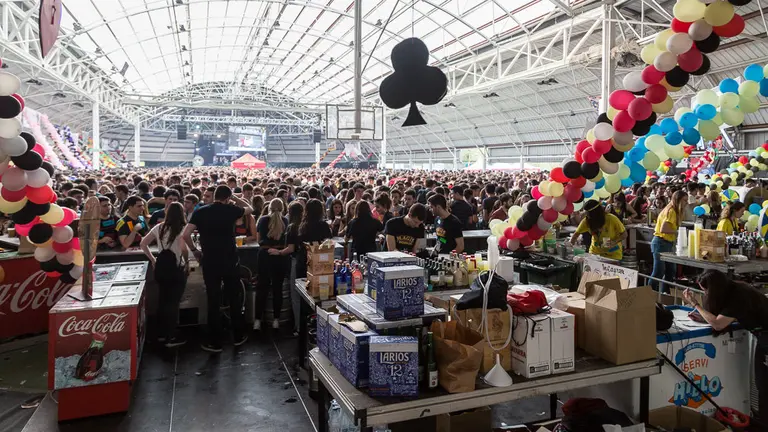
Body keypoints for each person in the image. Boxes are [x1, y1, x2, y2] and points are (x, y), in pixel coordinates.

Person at [684, 270, 768, 421]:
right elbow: (724, 319)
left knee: (764, 385)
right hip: (762, 336)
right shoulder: (735, 289)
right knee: (763, 385)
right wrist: (705, 317)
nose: (707, 295)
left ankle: (763, 422)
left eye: (707, 291)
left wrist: (696, 304)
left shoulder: (738, 297)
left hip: (765, 337)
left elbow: (718, 324)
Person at [182, 185, 253, 352]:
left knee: (213, 300)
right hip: (229, 260)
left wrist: (194, 250)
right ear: (228, 198)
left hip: (210, 260)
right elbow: (249, 208)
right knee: (234, 297)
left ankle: (215, 341)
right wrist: (235, 198)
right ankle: (237, 336)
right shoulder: (230, 209)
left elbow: (185, 234)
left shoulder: (201, 211)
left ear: (214, 196)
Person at [140, 202, 189, 348]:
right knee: (173, 302)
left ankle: (161, 334)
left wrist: (153, 259)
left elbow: (143, 243)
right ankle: (171, 336)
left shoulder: (159, 227)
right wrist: (186, 263)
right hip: (176, 268)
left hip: (161, 267)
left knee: (163, 299)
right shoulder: (182, 229)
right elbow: (184, 250)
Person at [255, 199, 289, 331]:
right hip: (280, 257)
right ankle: (276, 320)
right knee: (277, 289)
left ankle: (257, 320)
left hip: (264, 255)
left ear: (269, 207)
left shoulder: (263, 220)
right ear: (282, 208)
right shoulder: (285, 221)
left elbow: (259, 240)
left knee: (261, 288)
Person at [650, 190, 687, 293]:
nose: (686, 203)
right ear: (678, 200)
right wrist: (679, 231)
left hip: (668, 243)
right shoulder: (671, 211)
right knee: (658, 272)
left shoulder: (674, 211)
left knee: (671, 271)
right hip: (660, 242)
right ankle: (647, 294)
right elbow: (664, 228)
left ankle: (665, 295)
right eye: (684, 200)